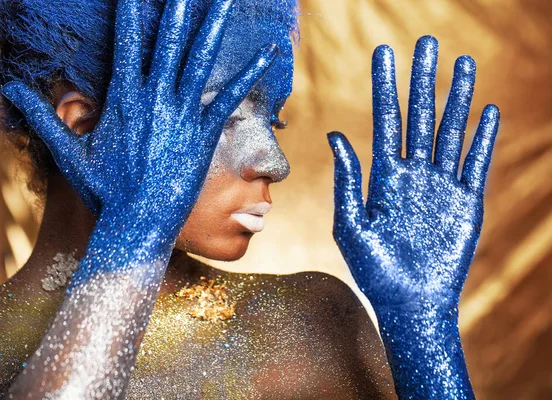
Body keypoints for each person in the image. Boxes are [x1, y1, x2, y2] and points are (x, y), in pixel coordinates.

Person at [0, 0, 499, 399]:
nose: (277, 163)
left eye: (273, 120)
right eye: (224, 115)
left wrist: (422, 331)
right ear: (86, 126)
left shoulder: (310, 323)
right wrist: (137, 231)